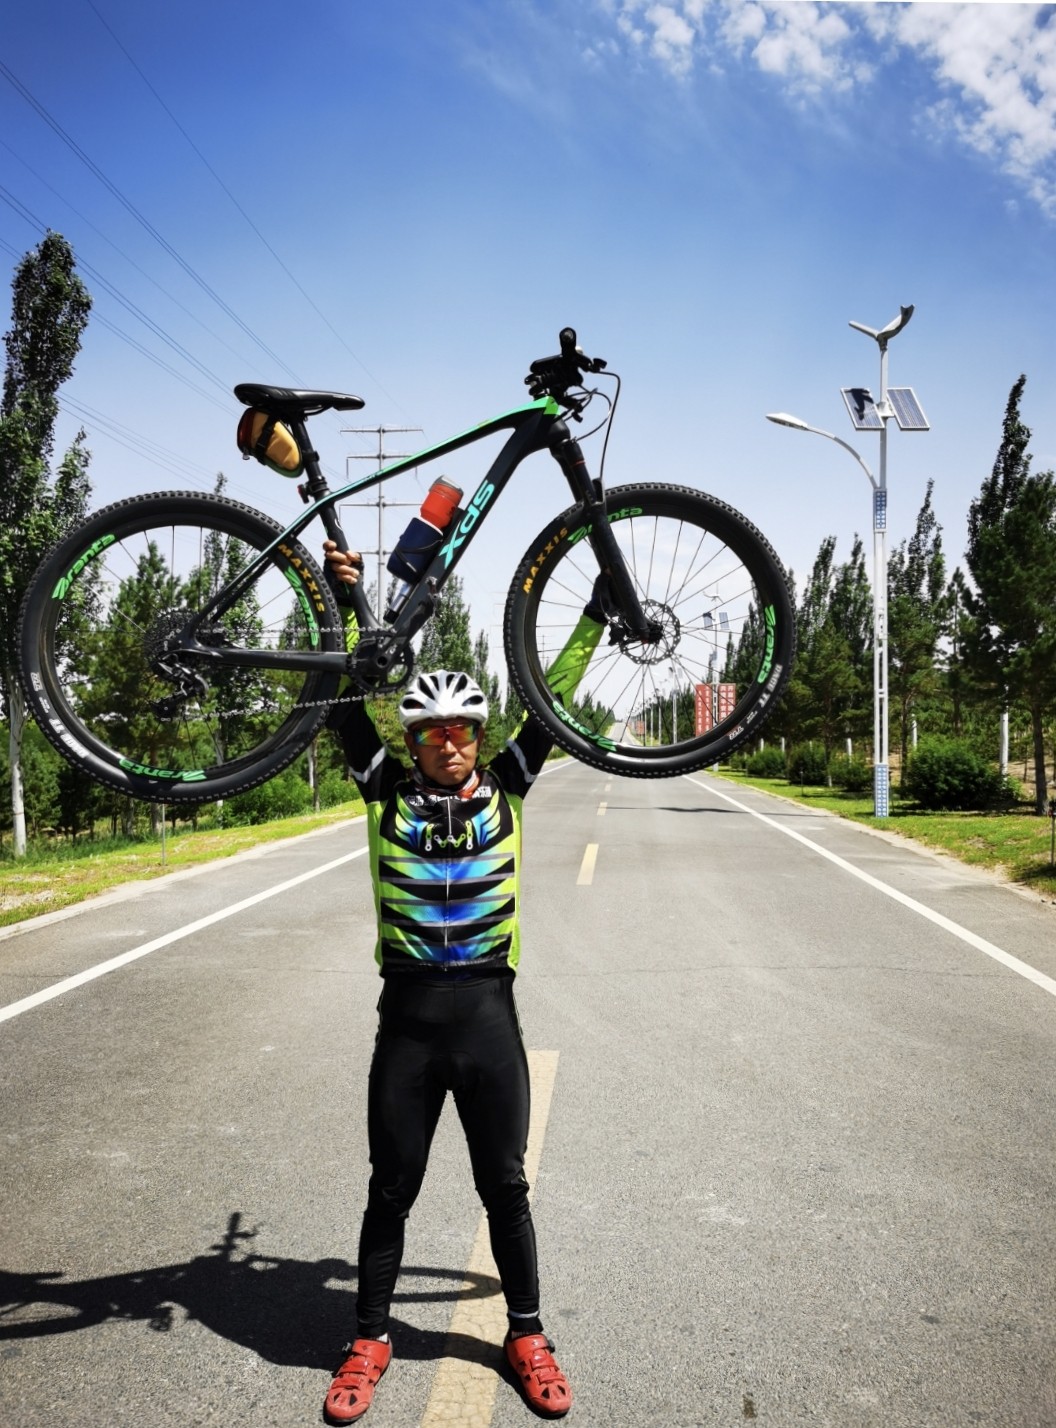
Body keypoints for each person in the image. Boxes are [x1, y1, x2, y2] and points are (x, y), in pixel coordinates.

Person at [319, 542, 603, 1424]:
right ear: (411, 741)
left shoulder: (509, 790)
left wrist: (593, 618)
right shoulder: (382, 791)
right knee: (389, 1188)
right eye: (432, 733)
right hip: (404, 1026)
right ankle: (370, 1337)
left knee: (505, 1188)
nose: (449, 745)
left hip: (488, 1021)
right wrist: (342, 595)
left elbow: (550, 707)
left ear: (480, 736)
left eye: (463, 731)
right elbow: (340, 698)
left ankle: (527, 1334)